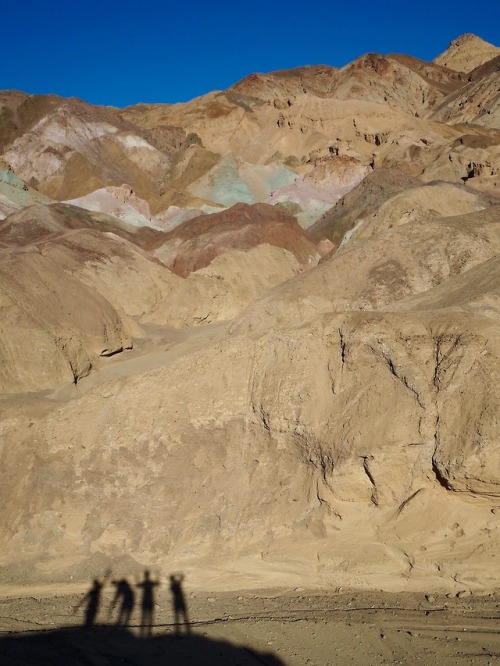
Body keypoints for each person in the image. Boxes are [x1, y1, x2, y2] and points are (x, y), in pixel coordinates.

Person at [137, 570, 159, 636]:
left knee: (143, 616)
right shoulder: (151, 583)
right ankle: (149, 632)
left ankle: (142, 633)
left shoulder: (144, 583)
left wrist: (137, 579)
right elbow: (157, 584)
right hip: (150, 600)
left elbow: (138, 586)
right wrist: (157, 577)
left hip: (144, 601)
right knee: (150, 616)